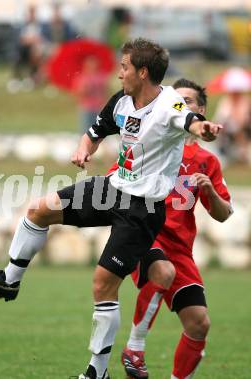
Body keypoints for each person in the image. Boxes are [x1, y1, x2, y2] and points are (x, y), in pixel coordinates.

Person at [0, 38, 222, 379]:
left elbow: (189, 120)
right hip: (111, 190)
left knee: (103, 284)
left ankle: (96, 371)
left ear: (143, 72)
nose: (119, 73)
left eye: (125, 67)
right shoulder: (122, 101)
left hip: (142, 211)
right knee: (38, 210)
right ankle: (10, 280)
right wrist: (83, 147)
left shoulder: (169, 104)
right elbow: (95, 131)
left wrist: (202, 128)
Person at [113, 78, 233, 379]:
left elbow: (224, 214)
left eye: (187, 101)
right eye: (174, 100)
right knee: (162, 272)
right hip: (146, 234)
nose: (178, 106)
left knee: (198, 323)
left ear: (201, 111)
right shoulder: (149, 144)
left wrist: (210, 192)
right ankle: (134, 349)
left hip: (180, 250)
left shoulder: (207, 161)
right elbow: (114, 181)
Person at [8, 5, 44, 93]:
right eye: (30, 13)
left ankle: (31, 79)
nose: (32, 16)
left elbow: (42, 39)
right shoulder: (21, 27)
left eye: (33, 13)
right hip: (23, 50)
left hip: (37, 50)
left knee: (35, 54)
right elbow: (20, 40)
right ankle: (16, 79)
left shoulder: (41, 27)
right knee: (19, 55)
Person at [73, 55, 110, 134]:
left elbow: (105, 91)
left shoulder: (101, 76)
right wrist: (85, 90)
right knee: (86, 130)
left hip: (99, 107)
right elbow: (78, 93)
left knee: (98, 130)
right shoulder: (82, 77)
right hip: (87, 107)